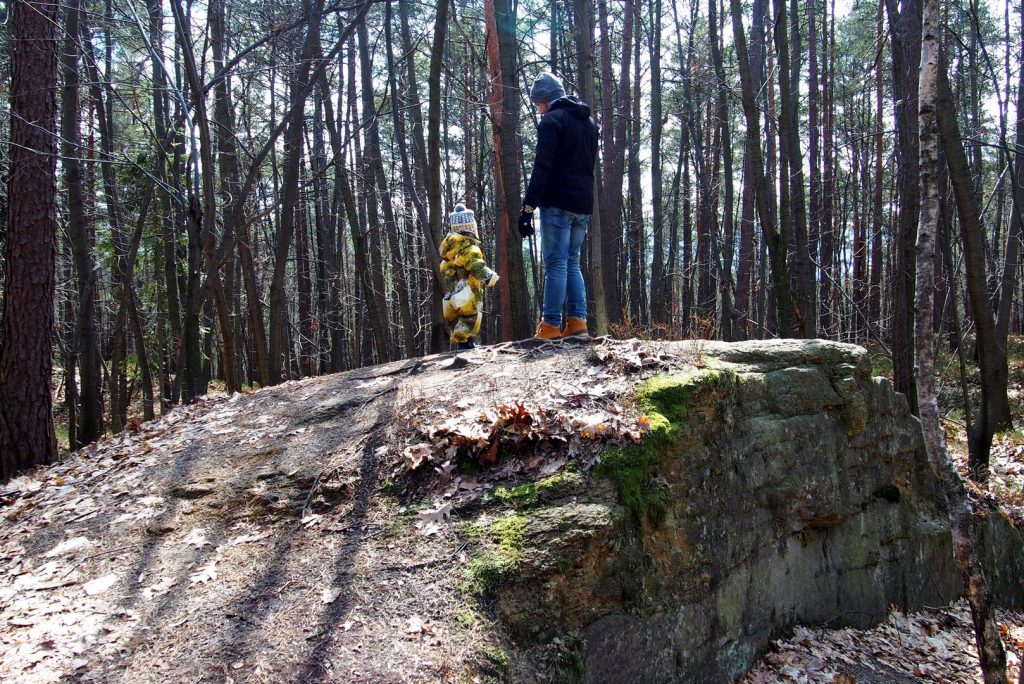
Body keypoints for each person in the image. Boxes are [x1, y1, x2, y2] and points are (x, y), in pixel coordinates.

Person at [519, 71, 599, 341]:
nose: (538, 110)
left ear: (545, 100)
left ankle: (551, 325)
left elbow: (543, 166)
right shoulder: (588, 122)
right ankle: (577, 323)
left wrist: (528, 207)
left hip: (558, 204)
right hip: (583, 203)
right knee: (572, 262)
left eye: (537, 104)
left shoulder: (552, 121)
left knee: (555, 264)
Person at [440, 203, 499, 350]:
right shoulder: (469, 249)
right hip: (467, 292)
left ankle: (463, 344)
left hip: (452, 292)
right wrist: (490, 277)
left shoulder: (449, 251)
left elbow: (444, 268)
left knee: (457, 319)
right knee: (470, 317)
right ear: (471, 228)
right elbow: (476, 266)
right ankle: (465, 345)